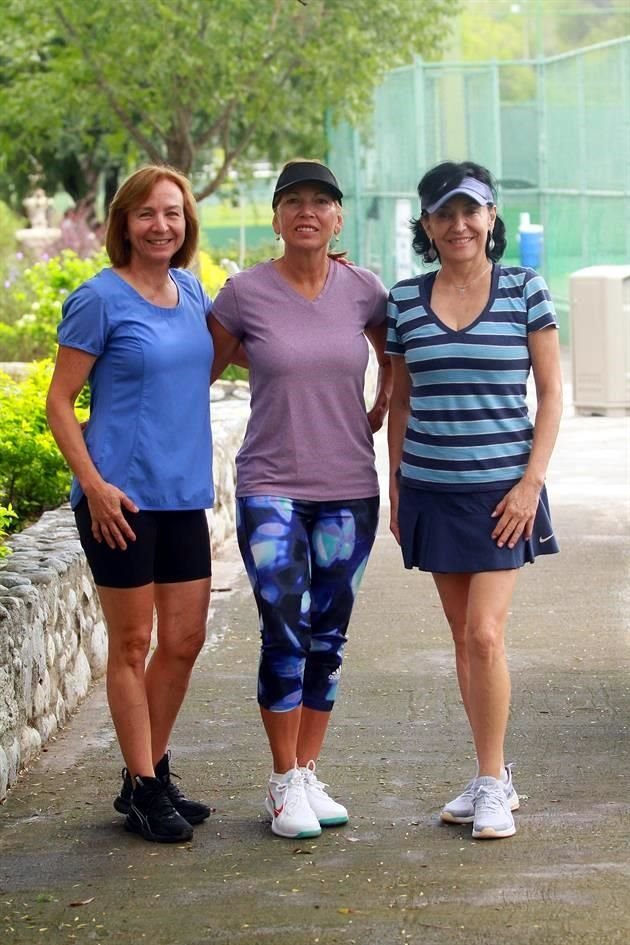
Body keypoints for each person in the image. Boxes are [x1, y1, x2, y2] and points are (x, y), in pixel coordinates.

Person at [209, 159, 391, 839]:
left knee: (329, 635)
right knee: (284, 628)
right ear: (278, 216)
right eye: (293, 201)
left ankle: (309, 771)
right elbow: (205, 356)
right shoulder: (245, 293)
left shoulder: (364, 290)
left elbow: (391, 347)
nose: (307, 211)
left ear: (338, 216)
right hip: (271, 488)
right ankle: (283, 778)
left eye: (321, 201)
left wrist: (385, 397)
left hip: (349, 487)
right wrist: (274, 359)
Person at [386, 161, 562, 840]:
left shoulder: (525, 290)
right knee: (463, 638)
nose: (458, 224)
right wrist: (396, 488)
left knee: (487, 634)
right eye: (444, 214)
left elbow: (551, 396)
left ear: (491, 218)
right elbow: (401, 400)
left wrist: (531, 483)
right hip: (431, 489)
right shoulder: (404, 300)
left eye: (471, 211)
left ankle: (492, 781)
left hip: (502, 495)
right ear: (427, 226)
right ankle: (491, 772)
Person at [46, 165, 215, 844]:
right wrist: (92, 482)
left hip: (184, 495)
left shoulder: (194, 291)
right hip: (119, 498)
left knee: (184, 640)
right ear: (124, 222)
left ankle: (146, 771)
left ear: (186, 222)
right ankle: (145, 785)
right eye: (147, 214)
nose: (161, 225)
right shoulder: (99, 299)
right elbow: (59, 402)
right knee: (134, 642)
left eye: (173, 213)